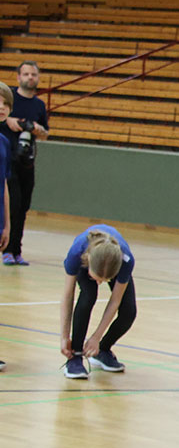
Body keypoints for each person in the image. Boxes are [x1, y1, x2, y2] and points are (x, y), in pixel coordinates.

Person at [60, 225, 137, 379]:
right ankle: (75, 357)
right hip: (86, 260)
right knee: (88, 296)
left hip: (113, 263)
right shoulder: (77, 254)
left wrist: (96, 337)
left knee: (129, 312)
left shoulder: (126, 261)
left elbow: (115, 301)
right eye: (96, 278)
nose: (100, 283)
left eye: (105, 280)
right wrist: (64, 336)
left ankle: (103, 350)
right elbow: (68, 296)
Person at [2, 60, 49, 266]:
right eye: (26, 74)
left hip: (26, 161)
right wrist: (10, 121)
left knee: (23, 206)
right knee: (13, 203)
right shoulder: (9, 98)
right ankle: (7, 249)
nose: (30, 77)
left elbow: (46, 133)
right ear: (18, 77)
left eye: (34, 74)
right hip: (7, 160)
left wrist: (38, 129)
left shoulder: (39, 105)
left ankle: (16, 250)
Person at [0, 83, 10, 371]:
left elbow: (5, 185)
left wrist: (8, 224)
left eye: (6, 104)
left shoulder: (4, 142)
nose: (2, 107)